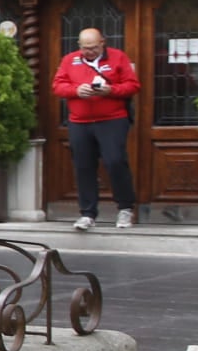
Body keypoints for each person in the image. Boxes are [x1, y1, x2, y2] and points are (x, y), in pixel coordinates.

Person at [51, 25, 140, 231]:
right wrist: (75, 90)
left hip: (112, 119)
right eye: (85, 48)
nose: (89, 52)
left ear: (102, 42)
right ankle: (87, 213)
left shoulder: (118, 57)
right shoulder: (69, 60)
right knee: (83, 166)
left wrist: (111, 90)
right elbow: (57, 86)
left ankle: (125, 208)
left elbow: (133, 86)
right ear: (79, 46)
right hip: (80, 121)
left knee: (115, 161)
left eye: (93, 47)